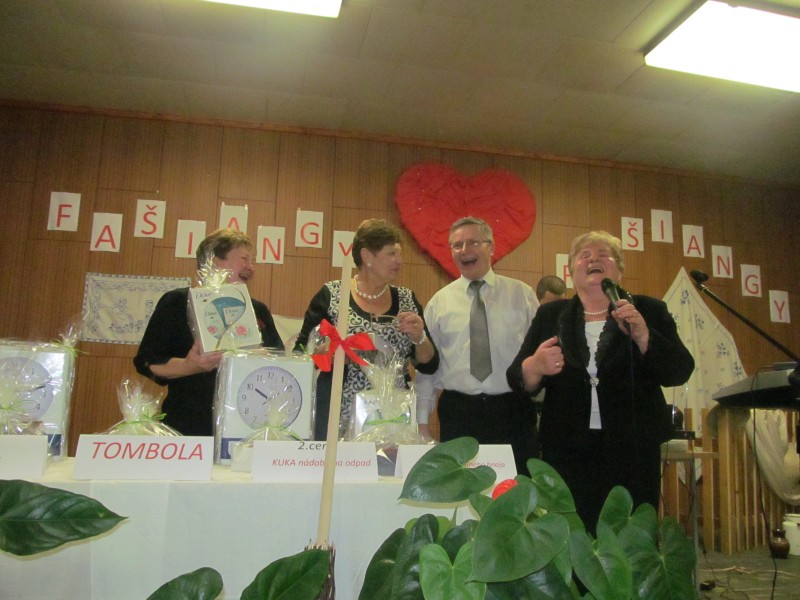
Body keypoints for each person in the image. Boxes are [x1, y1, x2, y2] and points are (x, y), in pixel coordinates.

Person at [506, 231, 694, 534]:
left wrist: (644, 336)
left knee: (631, 538)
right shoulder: (551, 315)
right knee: (573, 536)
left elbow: (680, 370)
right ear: (571, 271)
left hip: (632, 450)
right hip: (566, 448)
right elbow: (518, 378)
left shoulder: (649, 310)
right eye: (584, 256)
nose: (593, 259)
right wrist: (535, 366)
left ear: (619, 269)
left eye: (603, 254)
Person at [415, 216, 539, 475]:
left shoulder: (522, 295)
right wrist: (422, 423)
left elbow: (538, 356)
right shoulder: (439, 303)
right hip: (459, 414)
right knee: (461, 491)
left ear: (491, 247)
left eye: (473, 242)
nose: (464, 250)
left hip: (513, 411)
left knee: (517, 488)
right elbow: (428, 369)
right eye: (457, 245)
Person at [294, 219, 439, 440]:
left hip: (394, 412)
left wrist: (419, 337)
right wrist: (327, 355)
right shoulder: (331, 295)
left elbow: (429, 365)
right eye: (391, 253)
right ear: (367, 256)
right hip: (337, 413)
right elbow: (301, 354)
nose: (399, 261)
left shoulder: (407, 299)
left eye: (400, 254)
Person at [134, 228, 283, 436]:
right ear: (212, 261)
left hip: (247, 426)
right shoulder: (177, 302)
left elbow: (278, 362)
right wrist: (189, 366)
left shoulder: (257, 310)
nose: (251, 267)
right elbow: (148, 362)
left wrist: (263, 357)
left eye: (253, 261)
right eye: (244, 259)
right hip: (187, 425)